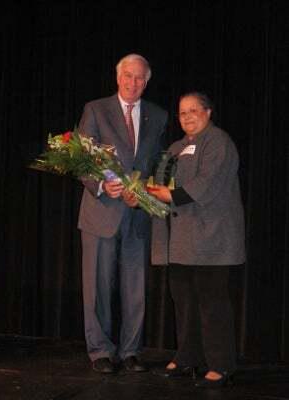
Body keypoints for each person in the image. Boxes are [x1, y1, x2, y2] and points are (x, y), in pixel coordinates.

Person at [77, 54, 168, 374]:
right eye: (128, 76)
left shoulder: (158, 115)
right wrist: (103, 186)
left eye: (140, 78)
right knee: (97, 286)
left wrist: (143, 192)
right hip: (100, 211)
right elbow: (81, 159)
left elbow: (159, 163)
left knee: (135, 287)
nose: (133, 83)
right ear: (118, 78)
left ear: (148, 80)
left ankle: (130, 351)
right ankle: (100, 350)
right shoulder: (96, 109)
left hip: (137, 213)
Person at [148, 91, 245, 388]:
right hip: (181, 241)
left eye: (193, 111)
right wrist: (139, 193)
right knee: (184, 302)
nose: (187, 117)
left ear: (208, 112)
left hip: (212, 239)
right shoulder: (175, 147)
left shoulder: (219, 142)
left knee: (212, 304)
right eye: (182, 113)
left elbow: (209, 181)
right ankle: (188, 356)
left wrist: (170, 195)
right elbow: (158, 184)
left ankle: (221, 364)